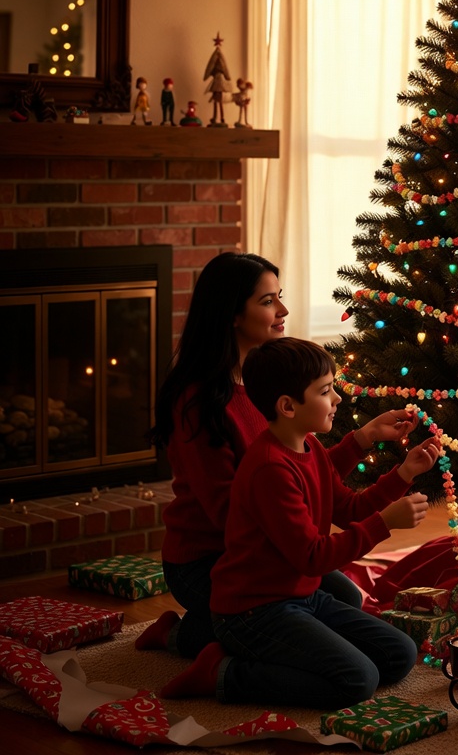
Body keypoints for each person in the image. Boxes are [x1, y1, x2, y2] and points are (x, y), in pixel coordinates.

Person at [138, 252, 418, 658]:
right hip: (210, 559)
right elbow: (235, 508)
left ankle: (233, 629)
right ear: (233, 314)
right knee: (308, 609)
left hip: (267, 544)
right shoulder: (199, 403)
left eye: (280, 296)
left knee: (344, 598)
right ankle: (183, 635)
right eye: (268, 301)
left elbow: (300, 473)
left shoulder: (265, 384)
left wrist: (362, 438)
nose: (283, 310)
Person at [159, 337, 442, 707]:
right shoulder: (269, 469)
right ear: (288, 406)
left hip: (303, 597)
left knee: (399, 654)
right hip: (253, 611)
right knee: (358, 680)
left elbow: (350, 509)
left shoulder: (310, 449)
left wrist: (403, 474)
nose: (337, 399)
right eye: (326, 391)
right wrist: (385, 523)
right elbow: (313, 556)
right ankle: (223, 672)